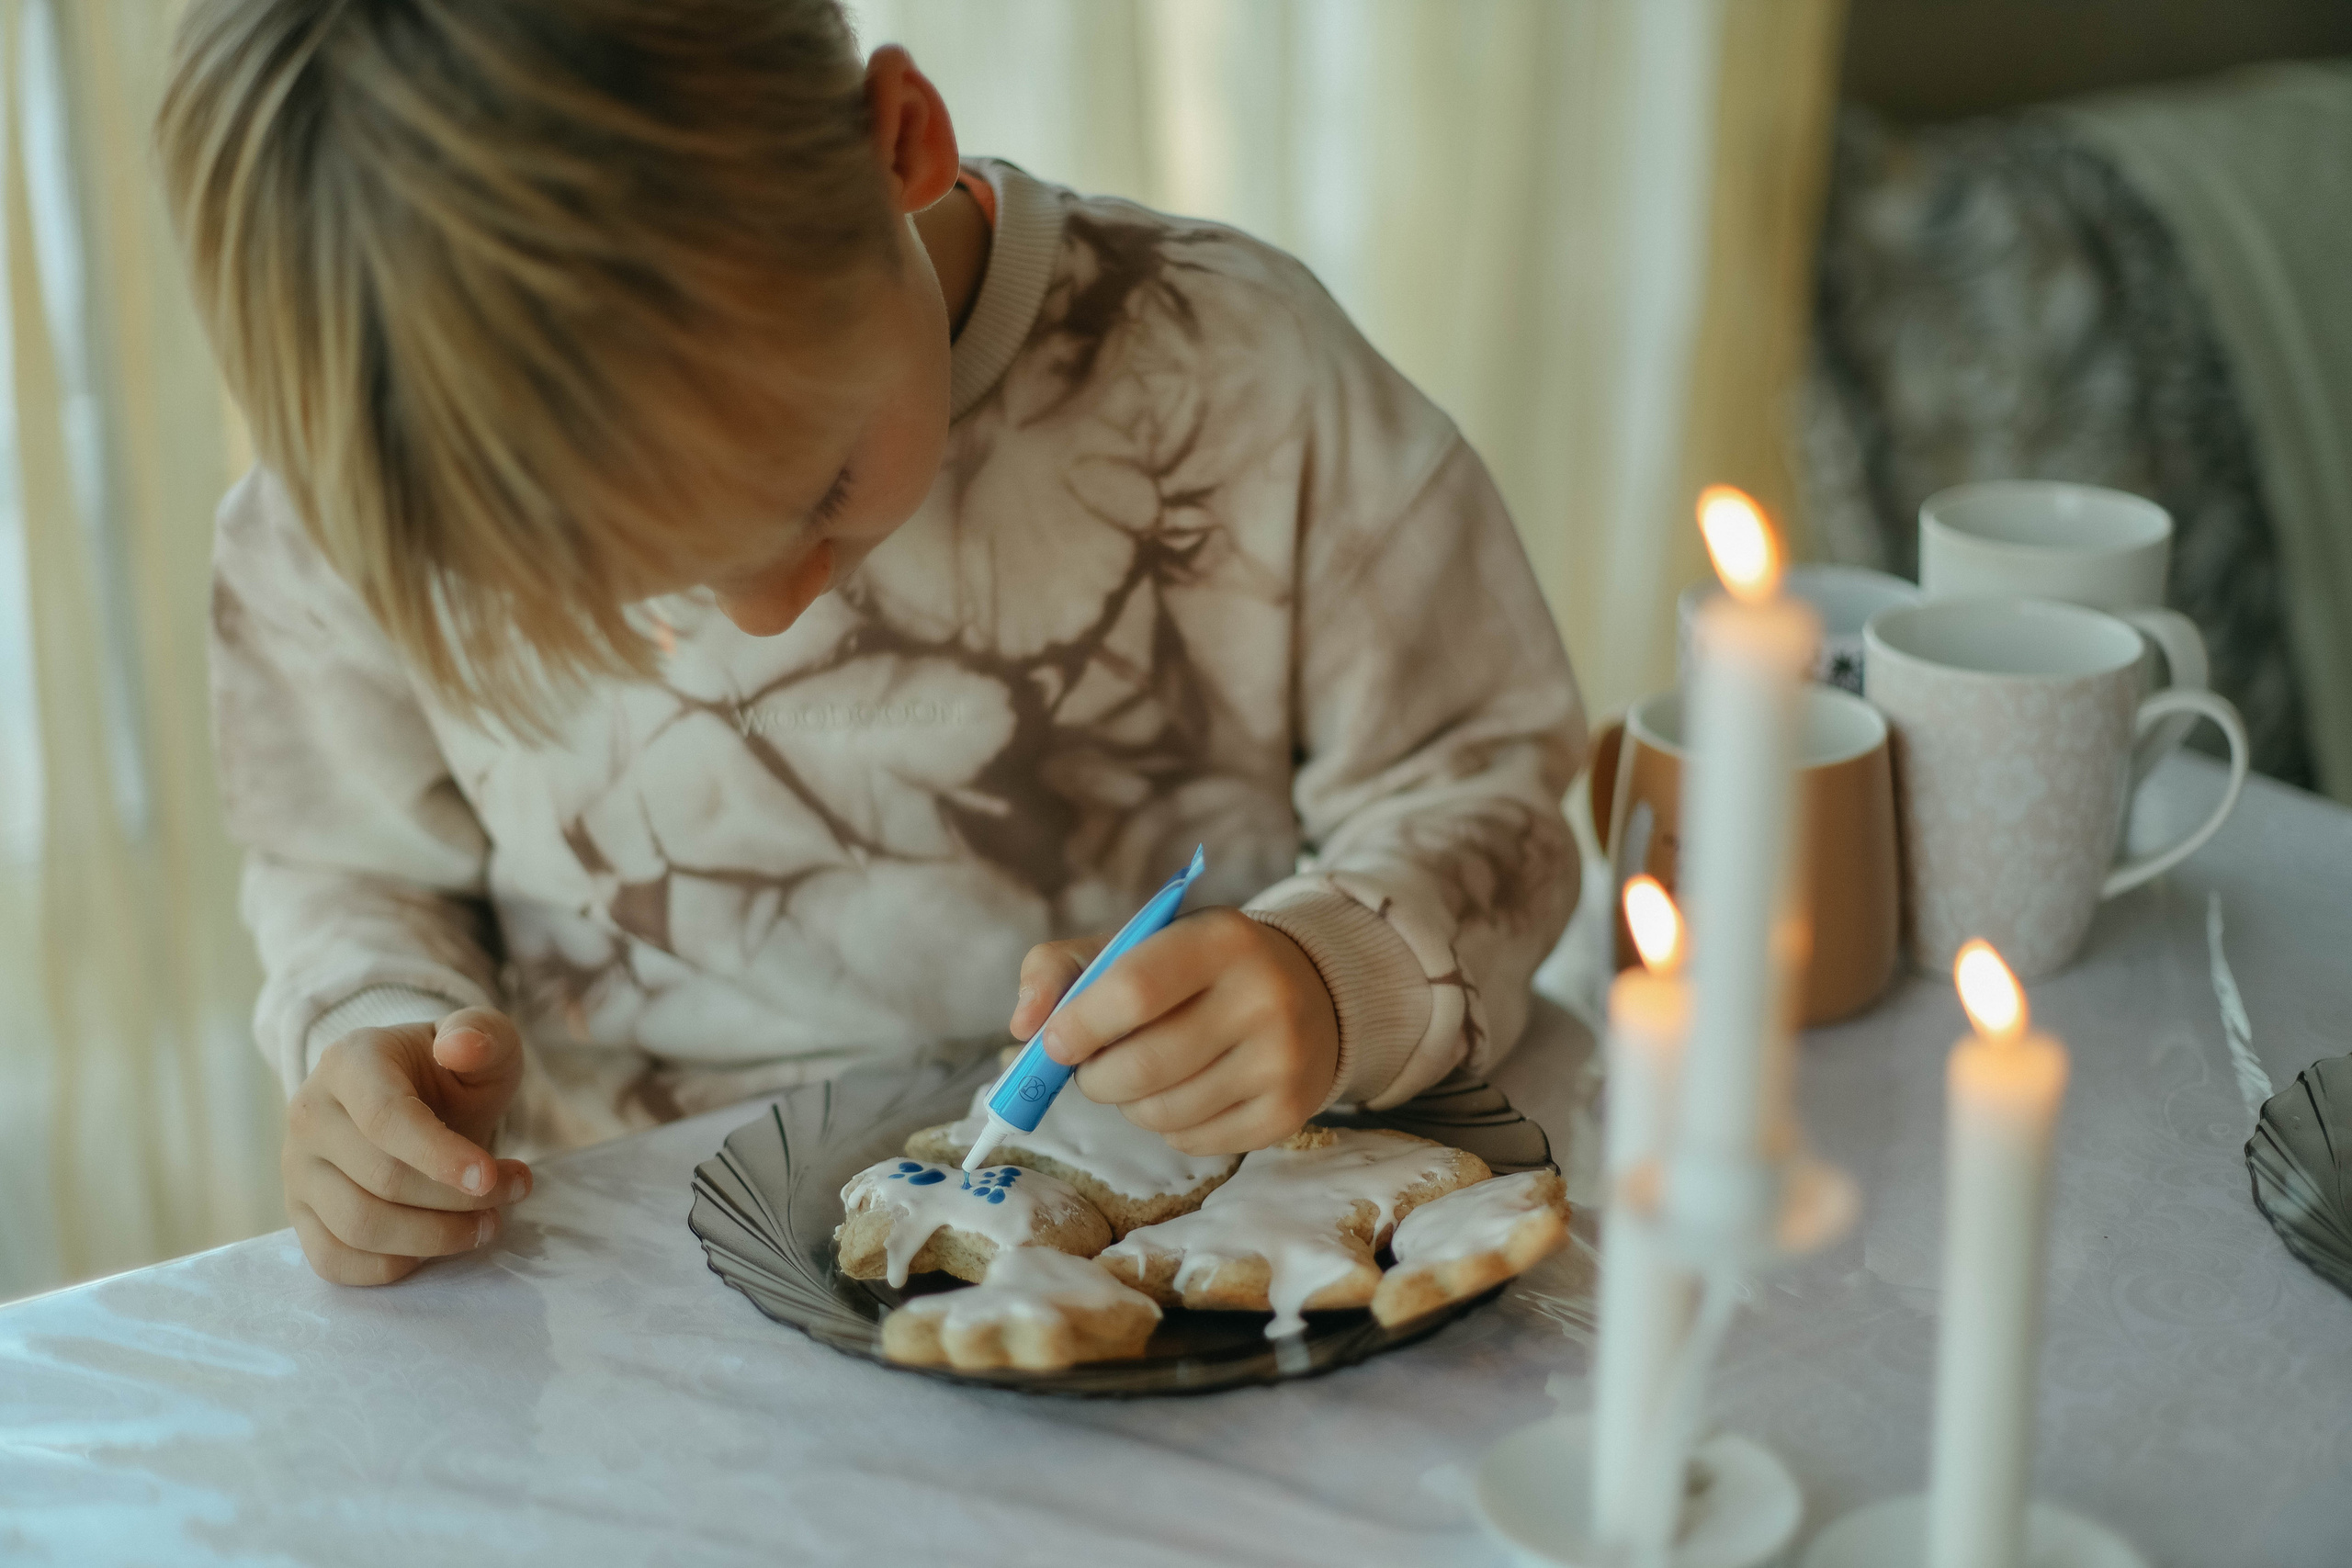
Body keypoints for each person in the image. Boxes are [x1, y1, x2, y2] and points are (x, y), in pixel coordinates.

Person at [157, 0, 1587, 1286]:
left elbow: (1485, 786)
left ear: (898, 141)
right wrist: (378, 1048)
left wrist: (1336, 981)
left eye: (820, 493)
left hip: (1186, 1256)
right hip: (619, 1293)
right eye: (628, 589)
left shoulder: (1231, 379)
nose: (775, 611)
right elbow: (343, 864)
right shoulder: (371, 519)